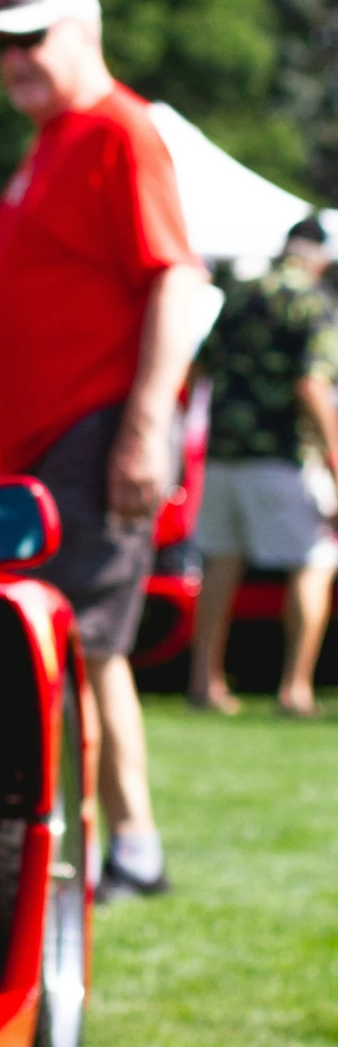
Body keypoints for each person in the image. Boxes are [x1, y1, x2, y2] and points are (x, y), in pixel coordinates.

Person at [0, 0, 207, 903]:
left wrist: (143, 427)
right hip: (47, 440)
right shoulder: (53, 141)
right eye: (1, 48)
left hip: (93, 431)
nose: (15, 61)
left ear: (80, 32)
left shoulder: (116, 131)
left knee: (79, 646)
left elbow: (175, 281)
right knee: (72, 644)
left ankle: (110, 849)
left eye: (31, 39)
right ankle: (112, 846)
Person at [188, 219, 338, 717]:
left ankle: (205, 683)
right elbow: (312, 386)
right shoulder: (313, 302)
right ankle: (294, 688)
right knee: (314, 563)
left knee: (221, 563)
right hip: (284, 457)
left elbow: (197, 368)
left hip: (224, 453)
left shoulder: (241, 294)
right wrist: (336, 456)